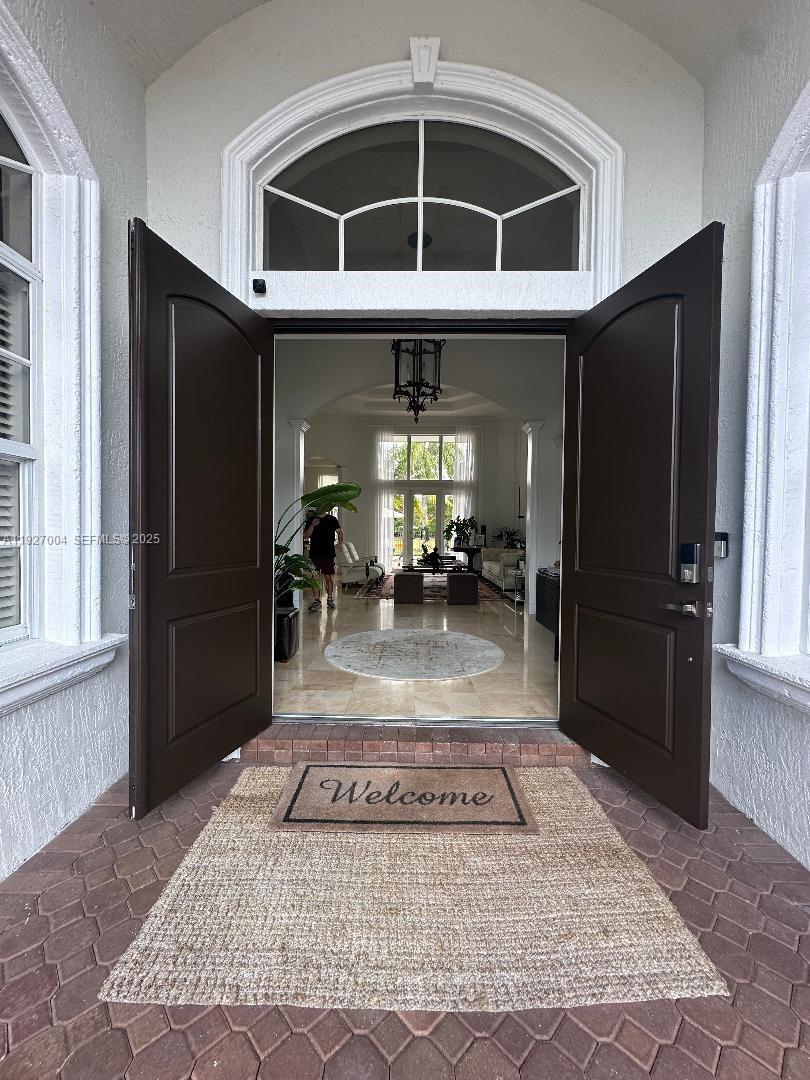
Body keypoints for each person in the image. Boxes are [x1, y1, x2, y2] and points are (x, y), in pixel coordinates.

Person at [303, 509, 344, 611]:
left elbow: (340, 532)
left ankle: (330, 599)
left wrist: (340, 543)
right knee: (315, 577)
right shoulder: (311, 519)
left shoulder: (332, 519)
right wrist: (312, 525)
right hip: (315, 553)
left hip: (328, 553)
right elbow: (306, 536)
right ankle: (317, 601)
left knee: (328, 577)